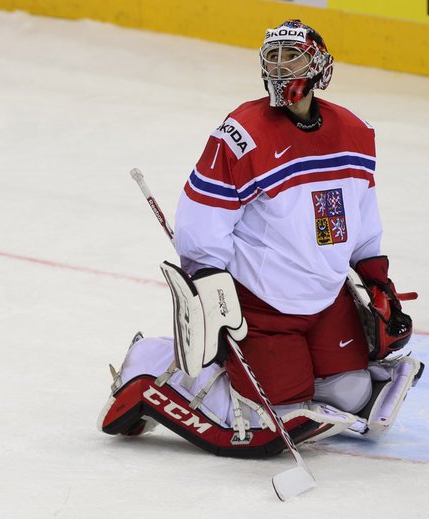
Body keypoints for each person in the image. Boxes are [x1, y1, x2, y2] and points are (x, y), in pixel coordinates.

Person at [99, 20, 420, 457]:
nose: (283, 67)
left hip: (325, 298)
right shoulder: (242, 134)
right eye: (275, 57)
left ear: (320, 65)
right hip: (261, 303)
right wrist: (209, 284)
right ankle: (153, 363)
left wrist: (376, 278)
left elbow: (359, 218)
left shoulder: (355, 133)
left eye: (295, 57)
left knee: (349, 392)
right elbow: (202, 217)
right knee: (278, 405)